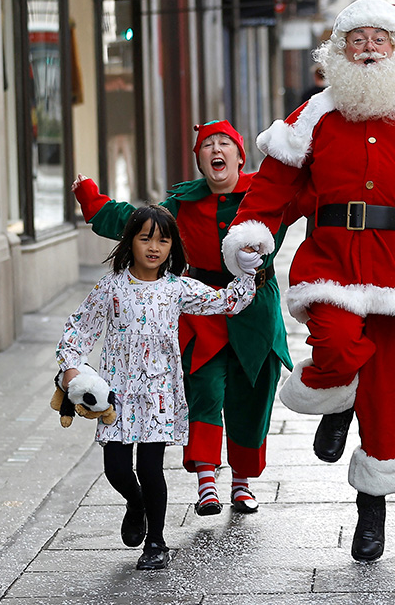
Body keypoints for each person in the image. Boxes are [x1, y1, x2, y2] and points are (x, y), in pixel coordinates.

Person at [221, 0, 395, 562]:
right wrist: (253, 232)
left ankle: (373, 513)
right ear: (338, 50)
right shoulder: (314, 113)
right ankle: (335, 394)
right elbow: (272, 187)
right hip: (330, 259)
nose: (368, 49)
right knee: (338, 345)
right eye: (357, 40)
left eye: (379, 40)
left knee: (389, 386)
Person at [72, 119, 292, 517]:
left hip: (254, 307)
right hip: (200, 310)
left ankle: (241, 483)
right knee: (204, 391)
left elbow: (312, 196)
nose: (216, 150)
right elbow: (134, 221)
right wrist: (93, 201)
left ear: (241, 157)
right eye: (207, 145)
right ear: (200, 161)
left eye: (225, 143)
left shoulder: (266, 195)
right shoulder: (182, 203)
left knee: (251, 396)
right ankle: (206, 479)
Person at [55, 205, 258, 570]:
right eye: (145, 237)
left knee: (151, 468)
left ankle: (157, 542)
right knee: (117, 468)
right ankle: (136, 505)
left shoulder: (175, 288)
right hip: (116, 396)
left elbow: (226, 301)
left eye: (163, 240)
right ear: (130, 241)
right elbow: (79, 328)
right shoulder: (111, 288)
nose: (154, 247)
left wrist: (245, 274)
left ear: (171, 247)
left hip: (158, 395)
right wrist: (71, 370)